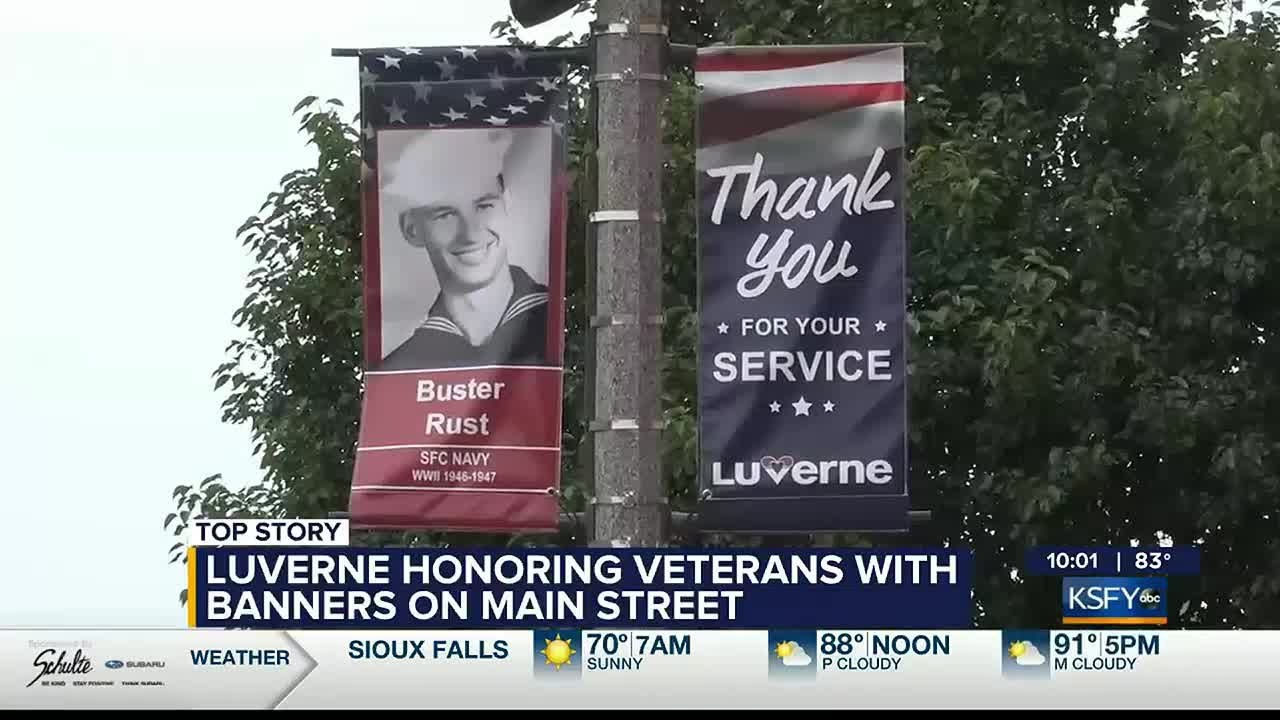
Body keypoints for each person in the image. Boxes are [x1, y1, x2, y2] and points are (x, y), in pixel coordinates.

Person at [377, 128, 551, 370]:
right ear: (412, 228)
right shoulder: (399, 371)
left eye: (484, 206)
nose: (470, 234)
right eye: (445, 214)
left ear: (507, 204)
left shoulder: (562, 327)